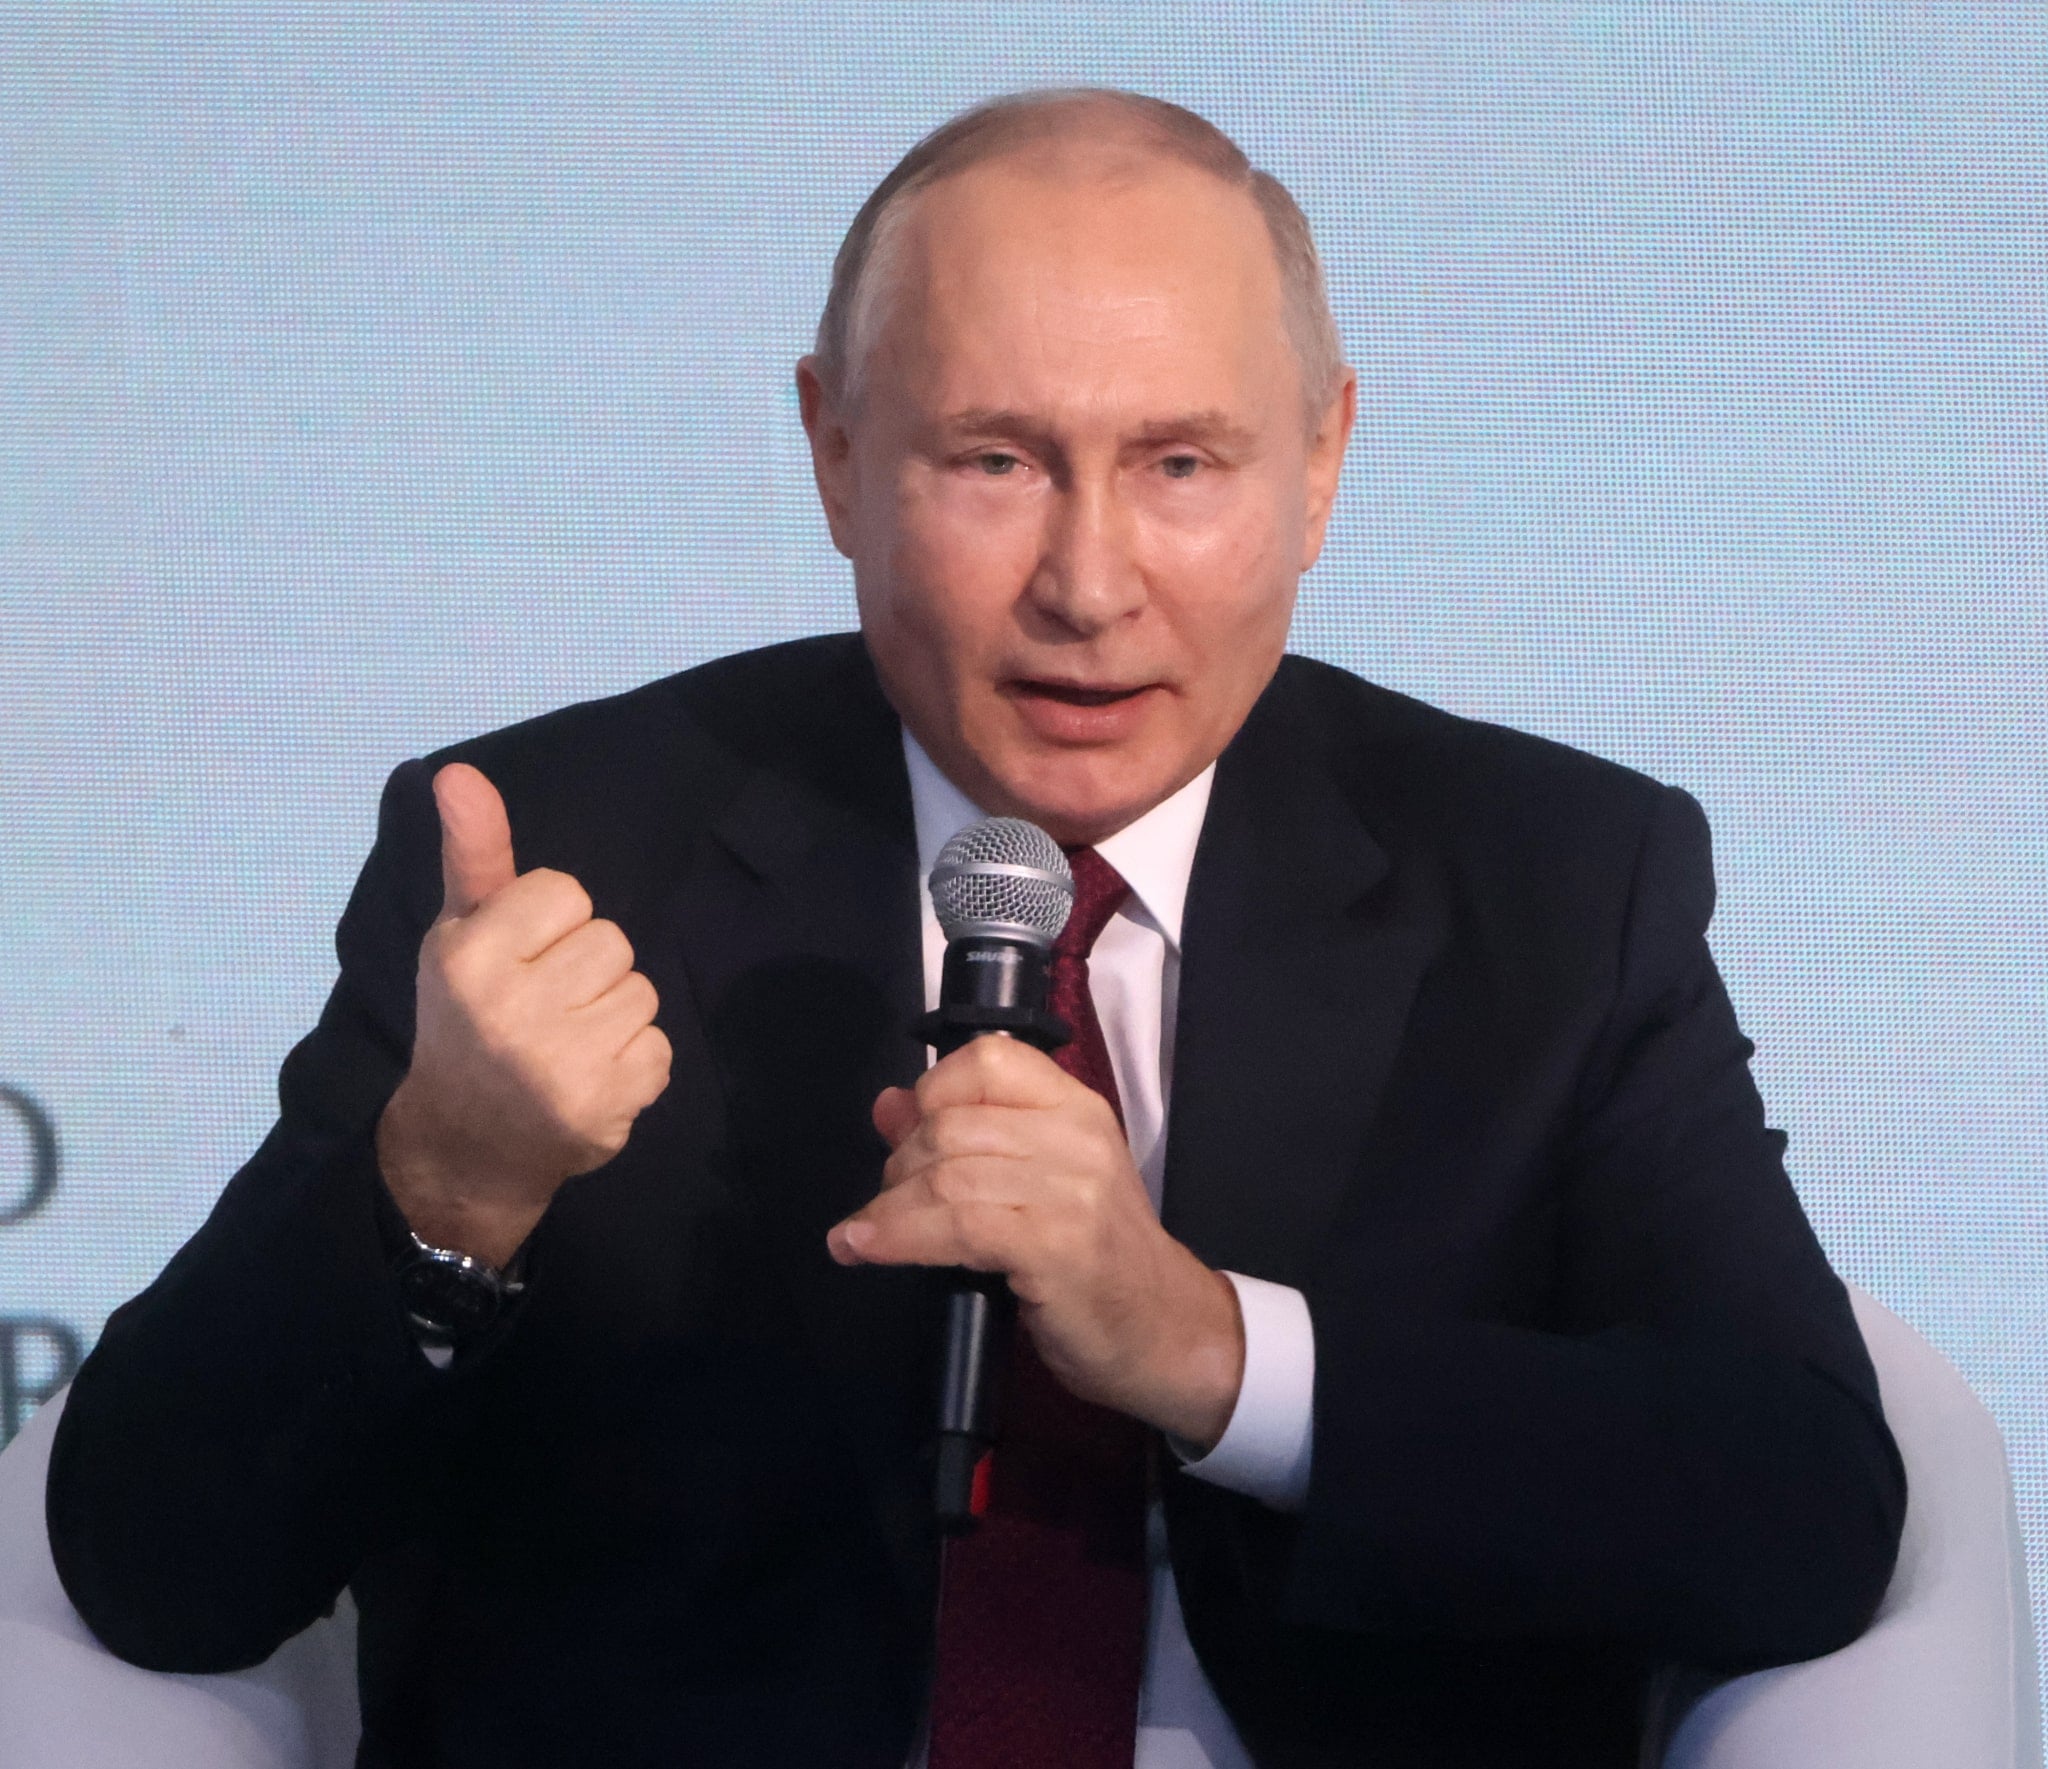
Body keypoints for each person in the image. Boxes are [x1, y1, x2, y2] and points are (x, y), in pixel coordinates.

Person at [45, 89, 1904, 1768]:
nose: (1088, 585)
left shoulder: (1556, 881)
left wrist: (1209, 1350)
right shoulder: (549, 860)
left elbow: (1804, 1505)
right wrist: (442, 1191)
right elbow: (156, 1565)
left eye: (1183, 465)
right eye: (994, 461)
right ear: (835, 451)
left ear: (1323, 463)